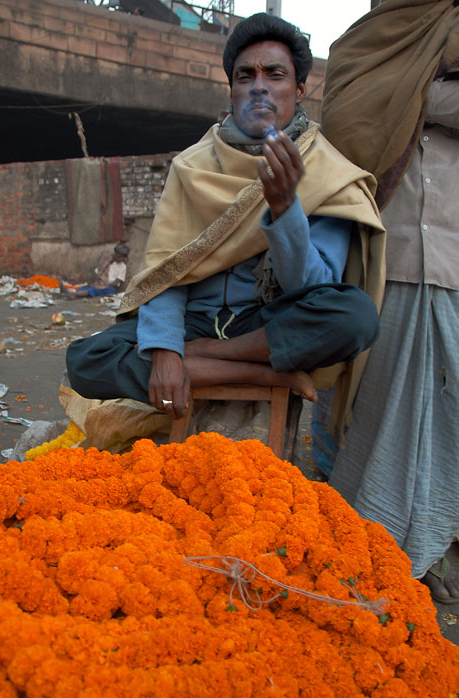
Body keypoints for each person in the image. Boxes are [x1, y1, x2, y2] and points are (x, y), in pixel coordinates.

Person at [65, 13, 384, 444]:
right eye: (245, 75)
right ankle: (275, 374)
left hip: (264, 324)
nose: (259, 86)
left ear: (300, 90)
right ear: (232, 90)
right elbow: (166, 270)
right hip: (197, 322)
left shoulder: (327, 172)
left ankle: (206, 359)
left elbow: (313, 286)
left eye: (275, 74)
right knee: (85, 360)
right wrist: (164, 349)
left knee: (354, 317)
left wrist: (286, 208)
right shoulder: (192, 166)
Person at [321, 0, 459, 602]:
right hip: (386, 259)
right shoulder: (367, 40)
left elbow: (385, 105)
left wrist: (412, 96)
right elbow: (348, 117)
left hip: (456, 259)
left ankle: (441, 539)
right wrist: (432, 95)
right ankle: (380, 541)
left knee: (450, 418)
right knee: (376, 411)